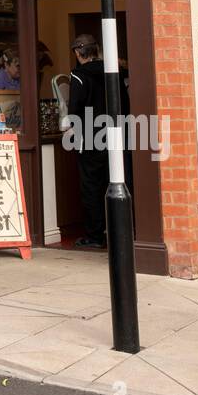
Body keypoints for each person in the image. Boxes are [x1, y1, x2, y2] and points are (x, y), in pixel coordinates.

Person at [67, 33, 130, 249]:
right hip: (116, 135)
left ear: (78, 53)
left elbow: (74, 109)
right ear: (96, 50)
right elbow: (125, 103)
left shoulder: (78, 75)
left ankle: (95, 236)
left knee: (92, 187)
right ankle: (121, 231)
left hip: (91, 137)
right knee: (117, 182)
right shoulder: (113, 71)